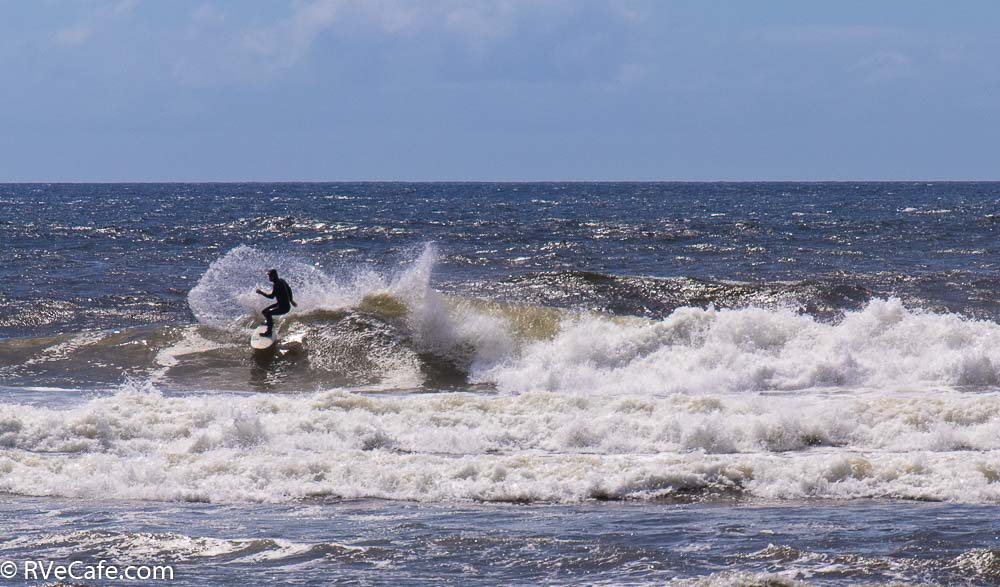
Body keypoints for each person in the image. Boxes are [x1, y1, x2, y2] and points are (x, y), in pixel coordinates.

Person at [255, 269, 296, 337]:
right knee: (264, 311)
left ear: (274, 276)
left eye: (270, 276)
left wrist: (261, 292)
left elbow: (271, 297)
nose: (269, 278)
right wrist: (291, 300)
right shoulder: (281, 280)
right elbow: (289, 289)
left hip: (284, 308)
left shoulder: (277, 285)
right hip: (281, 304)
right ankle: (270, 322)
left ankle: (269, 332)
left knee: (267, 313)